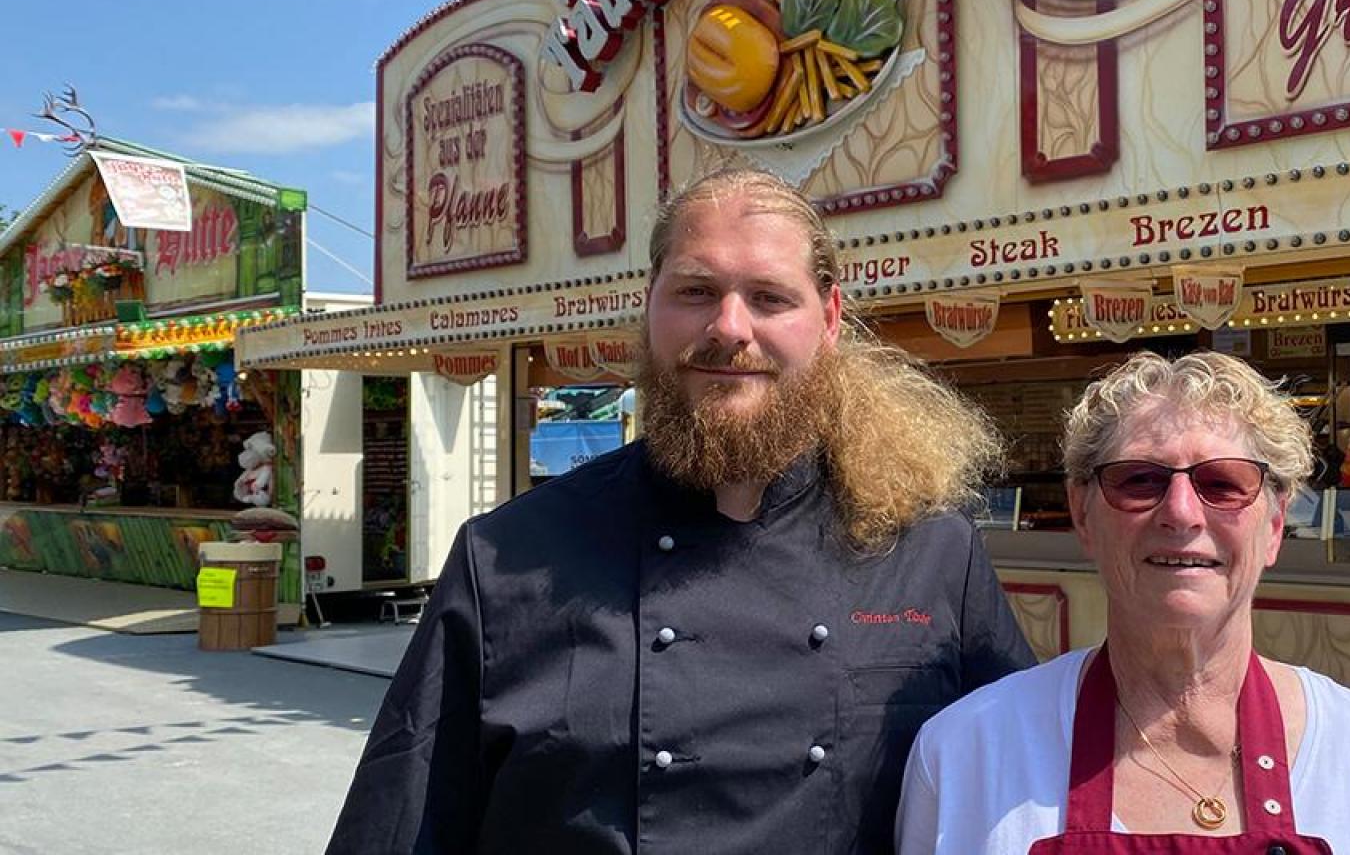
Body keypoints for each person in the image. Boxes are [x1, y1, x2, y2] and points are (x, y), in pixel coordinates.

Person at [328, 169, 1037, 854]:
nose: (729, 327)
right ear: (649, 306)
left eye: (769, 297)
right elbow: (398, 830)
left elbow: (1024, 796)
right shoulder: (504, 560)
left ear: (828, 319)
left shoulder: (933, 554)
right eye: (696, 291)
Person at [897, 351, 1350, 854]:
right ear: (1082, 515)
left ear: (1274, 523)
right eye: (1139, 480)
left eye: (1223, 482)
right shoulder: (964, 756)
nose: (1181, 512)